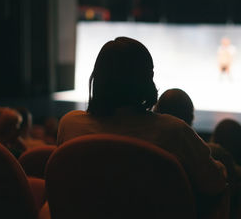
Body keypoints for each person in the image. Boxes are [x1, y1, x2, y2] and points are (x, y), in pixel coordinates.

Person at [57, 37, 226, 199]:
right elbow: (214, 183)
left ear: (98, 78)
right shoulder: (174, 132)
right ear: (147, 80)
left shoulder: (70, 125)